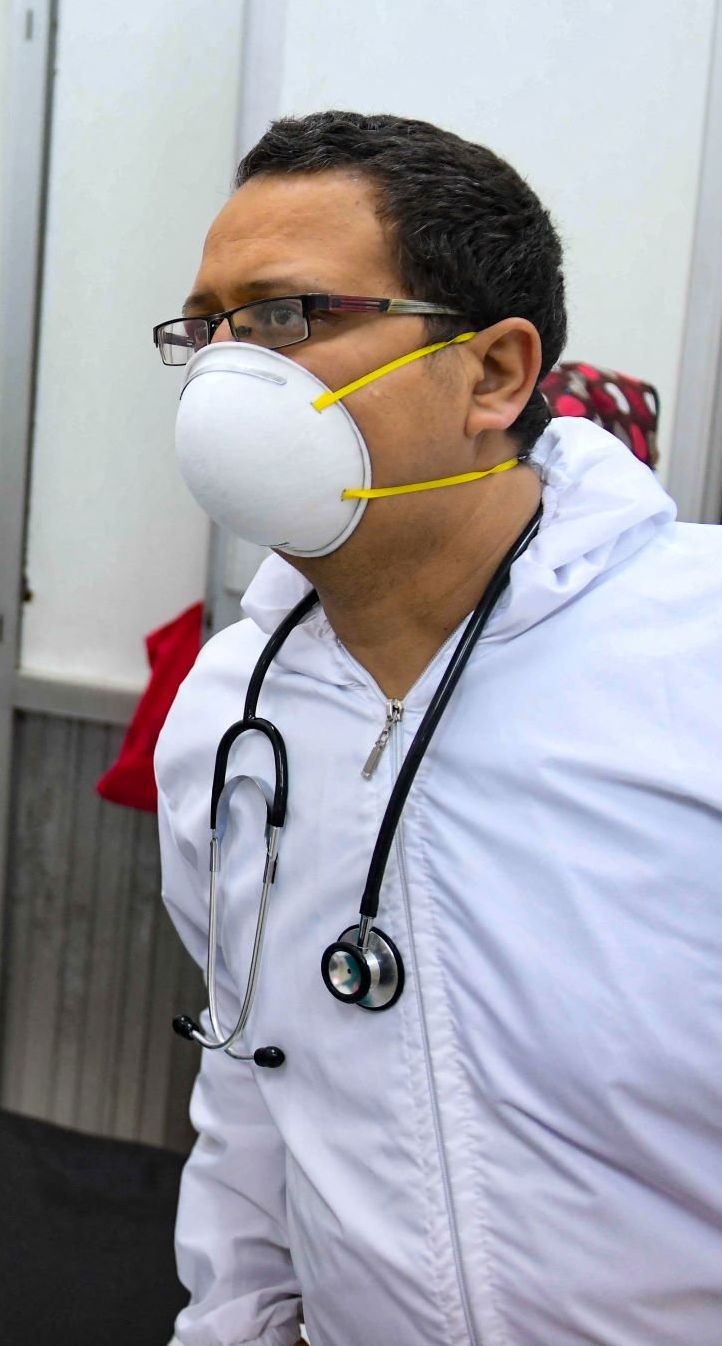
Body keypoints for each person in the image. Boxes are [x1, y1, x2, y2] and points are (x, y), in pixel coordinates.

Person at [150, 113, 722, 1346]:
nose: (225, 373)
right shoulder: (229, 708)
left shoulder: (694, 654)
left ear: (494, 374)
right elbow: (252, 1082)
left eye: (289, 314)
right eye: (206, 327)